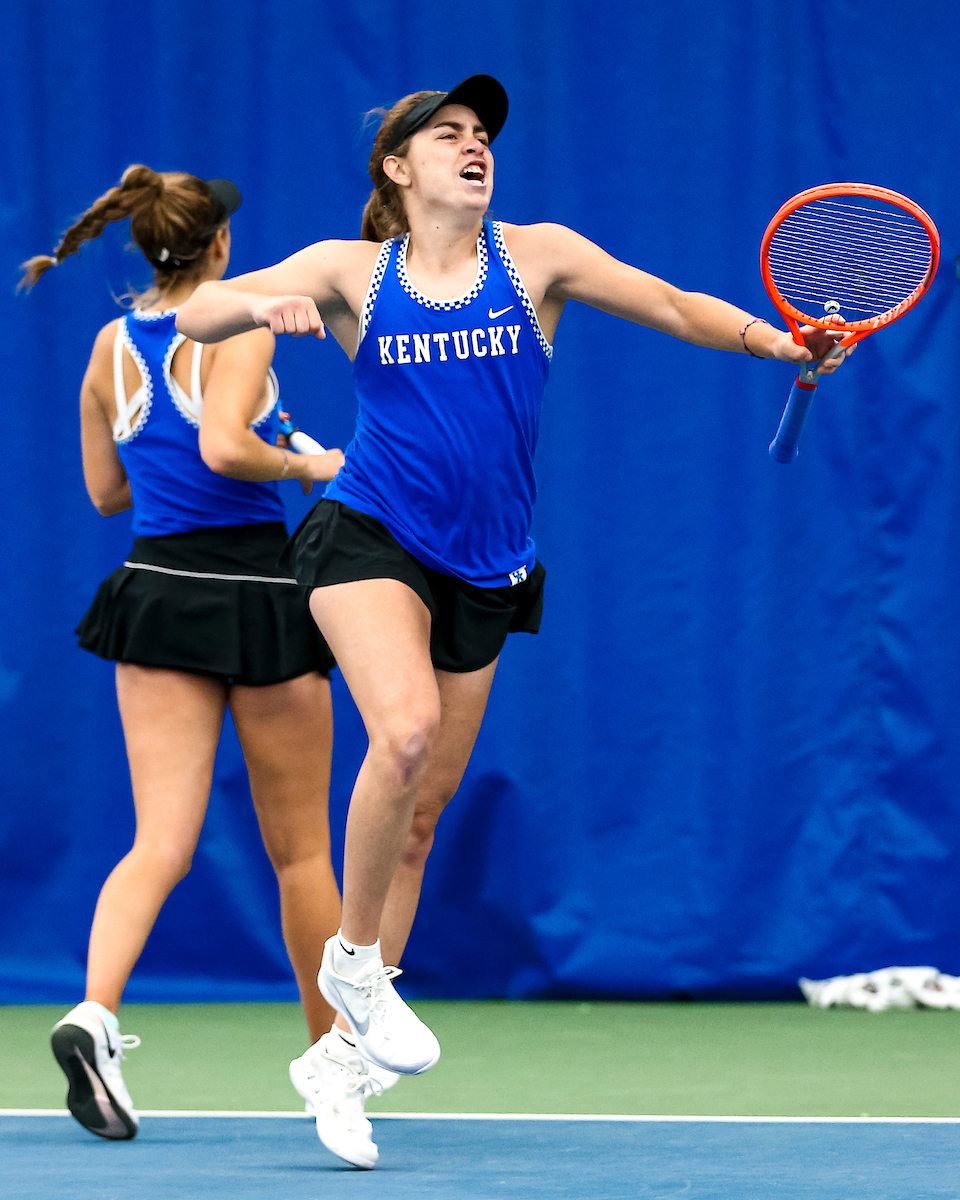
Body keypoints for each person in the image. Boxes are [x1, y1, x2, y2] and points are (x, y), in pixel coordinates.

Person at [176, 74, 852, 1079]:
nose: (474, 144)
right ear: (398, 168)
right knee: (403, 731)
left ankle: (344, 1062)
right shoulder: (350, 270)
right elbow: (197, 313)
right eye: (447, 133)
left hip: (488, 561)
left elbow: (671, 303)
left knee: (420, 819)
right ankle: (353, 965)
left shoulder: (539, 256)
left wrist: (780, 341)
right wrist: (257, 302)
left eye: (481, 132)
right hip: (369, 532)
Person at [19, 166, 387, 1169]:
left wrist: (227, 438)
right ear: (219, 245)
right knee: (302, 855)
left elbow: (107, 490)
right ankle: (333, 1065)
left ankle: (94, 1014)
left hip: (155, 590)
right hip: (256, 592)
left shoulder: (108, 347)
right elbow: (224, 450)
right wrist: (308, 462)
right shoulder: (246, 322)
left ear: (148, 246)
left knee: (159, 842)